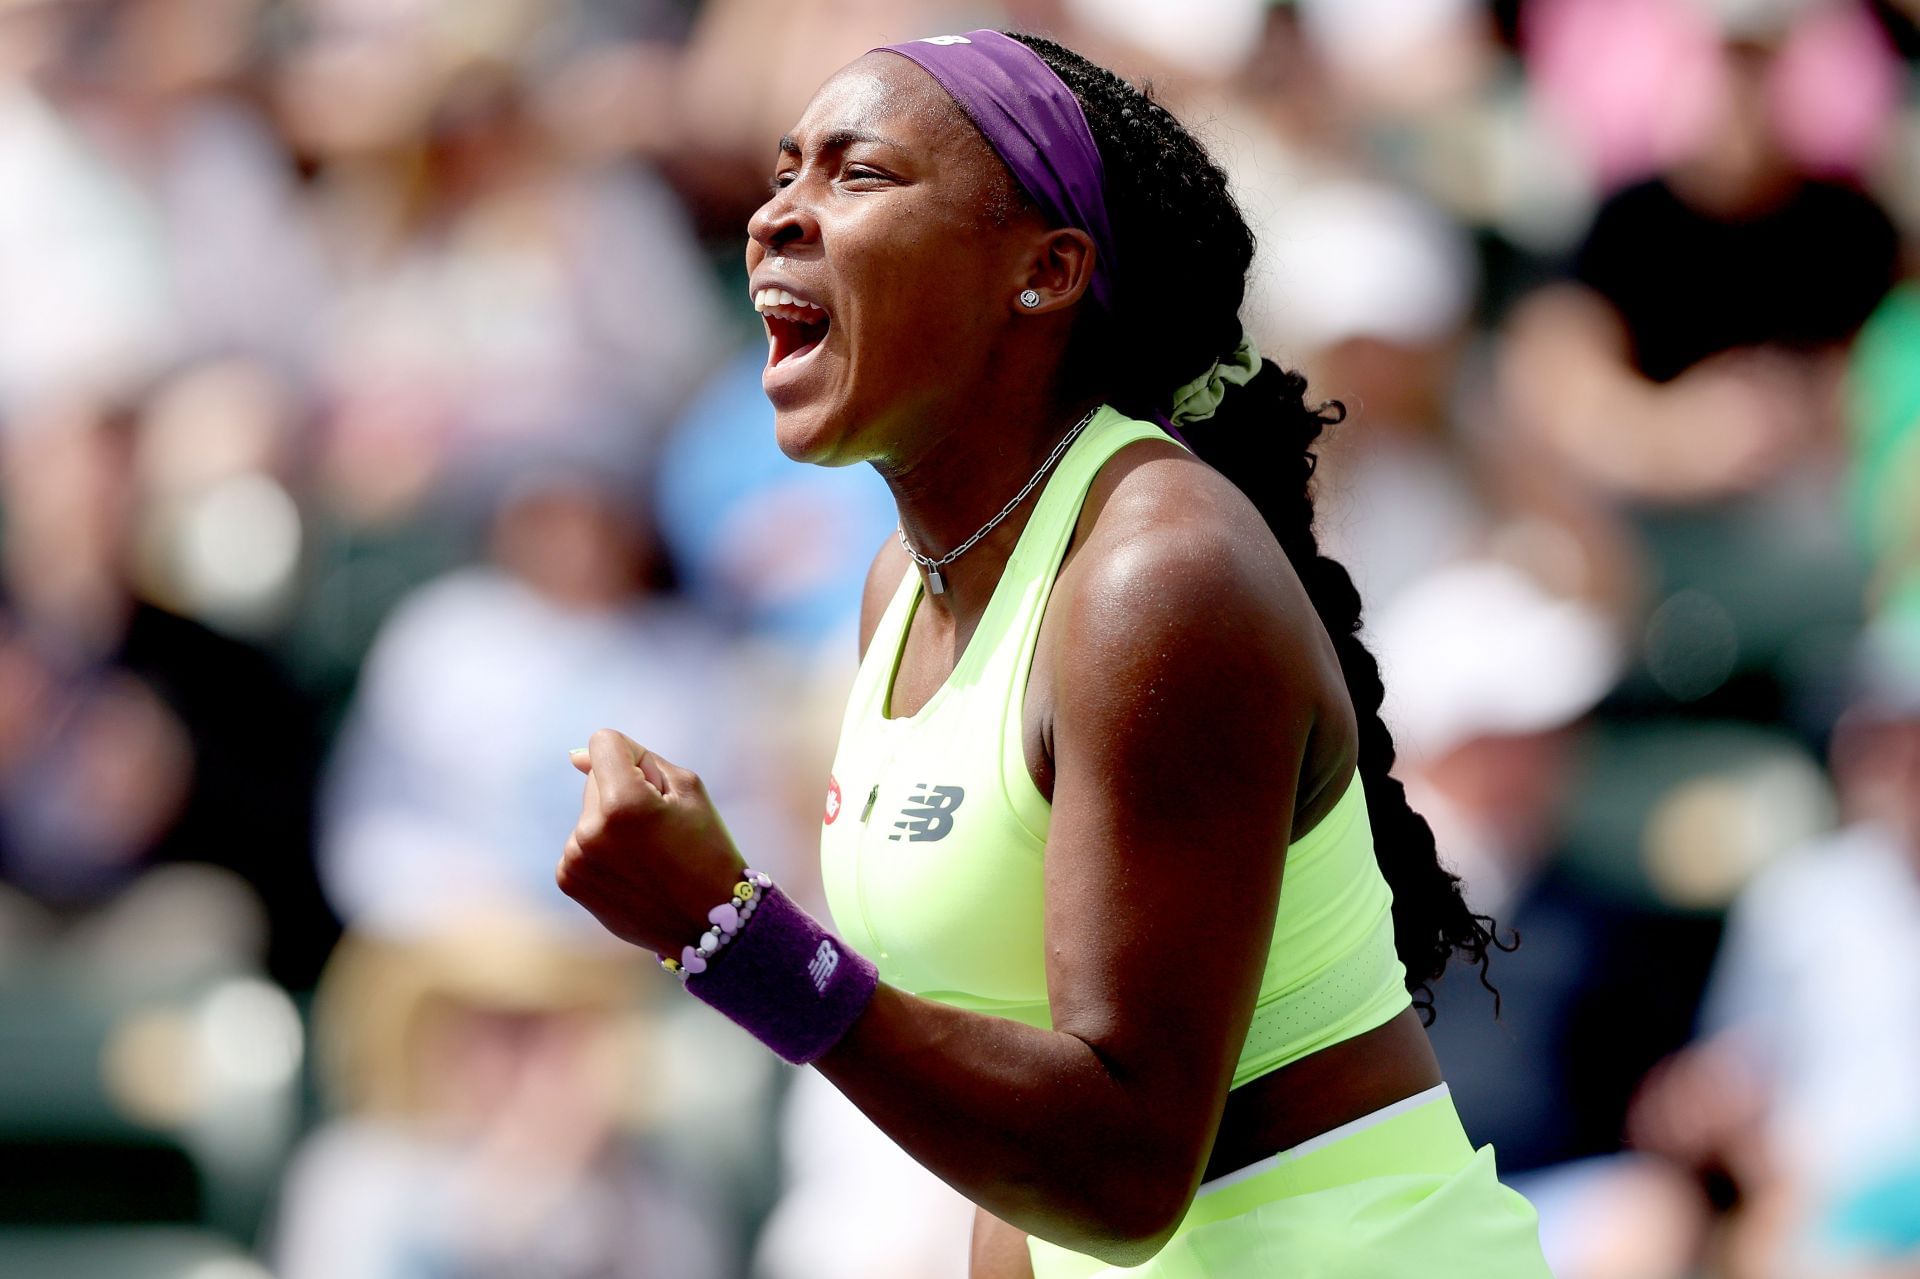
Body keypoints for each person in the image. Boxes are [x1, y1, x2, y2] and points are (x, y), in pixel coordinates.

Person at [556, 28, 1551, 1276]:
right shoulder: (902, 593)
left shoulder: (1154, 578)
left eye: (856, 175)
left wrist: (730, 935)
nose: (777, 217)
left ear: (1046, 269)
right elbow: (1017, 1154)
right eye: (783, 172)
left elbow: (1122, 1171)